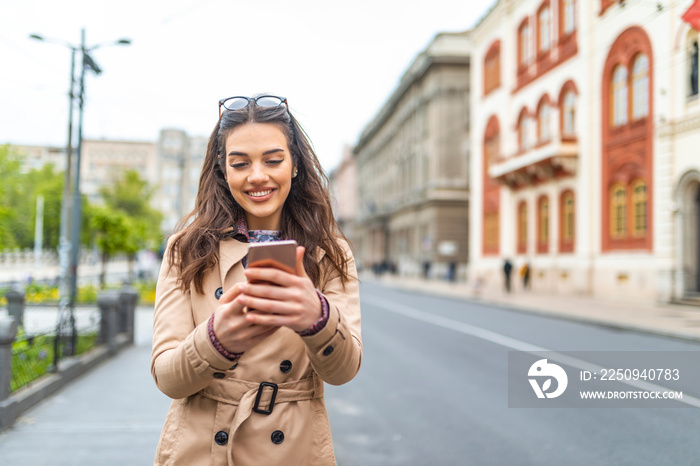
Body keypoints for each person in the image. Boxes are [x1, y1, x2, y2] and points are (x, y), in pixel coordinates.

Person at [150, 94, 362, 465]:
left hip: (292, 446)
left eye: (273, 160)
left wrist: (318, 318)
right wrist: (218, 340)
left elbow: (343, 372)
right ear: (223, 170)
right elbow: (168, 379)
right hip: (203, 449)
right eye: (240, 163)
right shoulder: (186, 249)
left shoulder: (331, 253)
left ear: (294, 165)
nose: (258, 176)